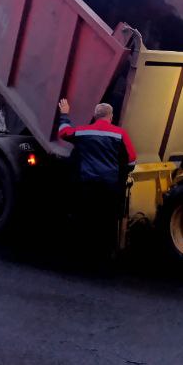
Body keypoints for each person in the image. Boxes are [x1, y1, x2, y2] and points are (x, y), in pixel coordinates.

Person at [57, 98, 137, 258]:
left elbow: (63, 133)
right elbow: (132, 159)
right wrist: (121, 174)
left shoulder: (83, 132)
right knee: (107, 221)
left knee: (86, 218)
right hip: (110, 187)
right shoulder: (120, 134)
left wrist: (64, 115)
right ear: (111, 116)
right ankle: (105, 254)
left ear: (94, 116)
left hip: (88, 185)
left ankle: (84, 253)